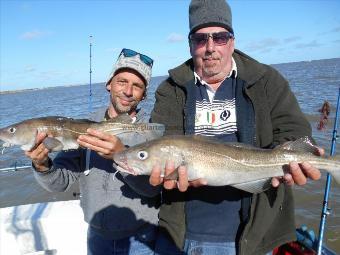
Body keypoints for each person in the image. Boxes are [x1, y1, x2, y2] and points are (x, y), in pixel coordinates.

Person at [149, 1, 323, 255]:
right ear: (189, 44)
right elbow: (165, 141)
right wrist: (164, 174)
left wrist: (294, 158)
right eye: (200, 39)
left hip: (255, 234)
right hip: (184, 234)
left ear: (232, 41)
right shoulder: (171, 89)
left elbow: (294, 130)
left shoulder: (266, 80)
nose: (210, 48)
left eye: (219, 37)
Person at [25, 48, 160, 255]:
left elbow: (152, 189)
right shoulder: (82, 126)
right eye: (122, 81)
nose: (128, 91)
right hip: (97, 239)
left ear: (144, 95)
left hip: (142, 238)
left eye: (137, 86)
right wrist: (42, 166)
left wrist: (119, 155)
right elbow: (60, 182)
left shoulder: (151, 129)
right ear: (109, 84)